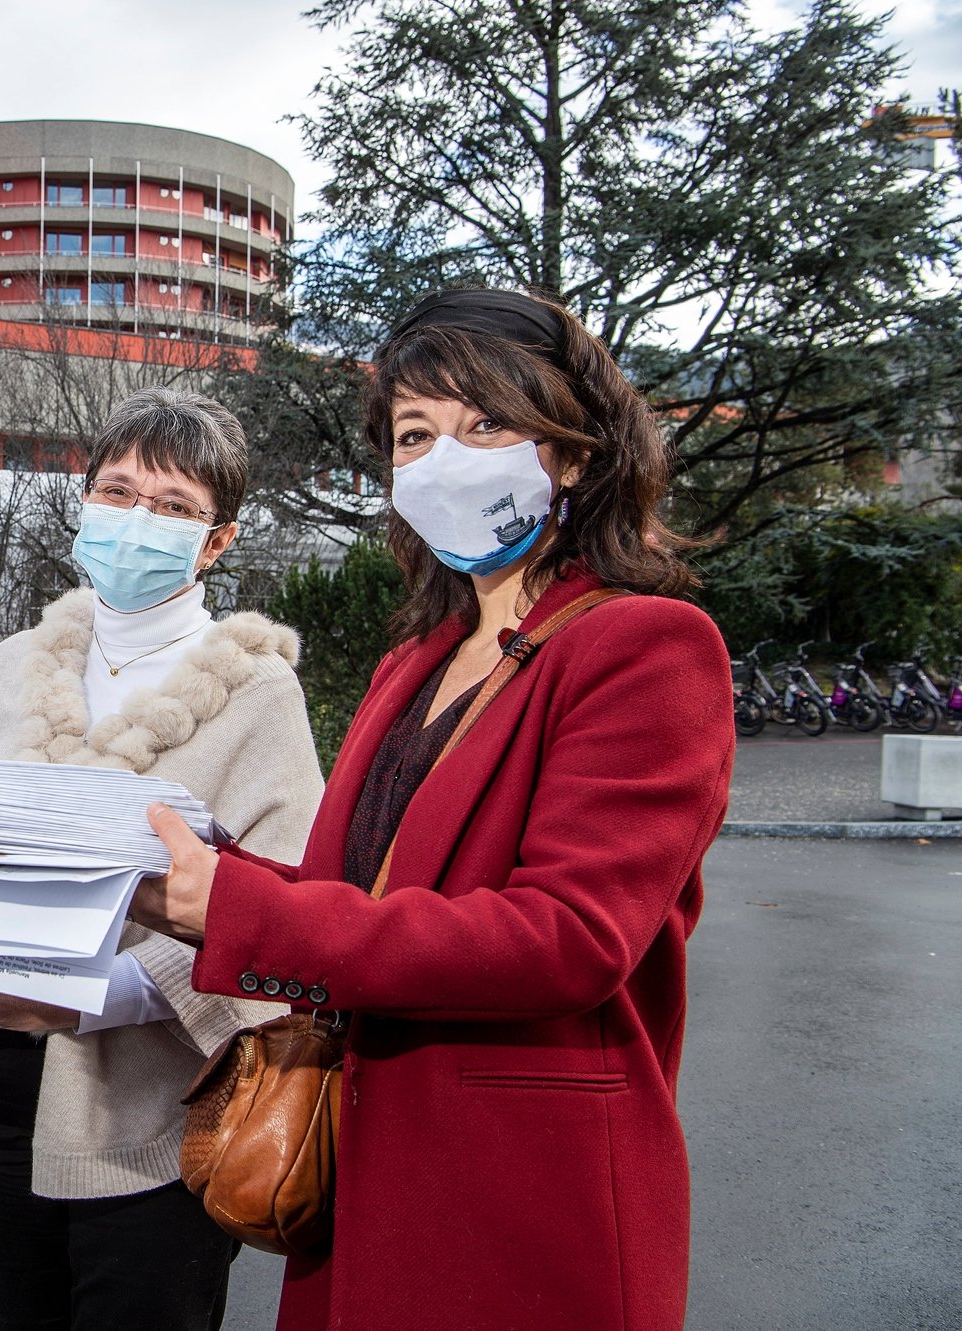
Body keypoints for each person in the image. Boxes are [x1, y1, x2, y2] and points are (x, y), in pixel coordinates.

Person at [131, 289, 734, 1331]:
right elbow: (357, 900)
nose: (445, 458)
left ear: (576, 452)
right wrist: (186, 882)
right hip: (358, 1176)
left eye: (486, 423)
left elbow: (568, 936)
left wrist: (239, 910)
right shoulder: (414, 659)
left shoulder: (645, 643)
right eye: (414, 433)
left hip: (515, 1200)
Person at [0, 388, 326, 1331]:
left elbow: (283, 896)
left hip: (153, 1100)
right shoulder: (18, 661)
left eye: (174, 506)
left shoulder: (258, 693)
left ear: (217, 542)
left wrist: (103, 992)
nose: (137, 518)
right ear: (83, 501)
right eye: (117, 490)